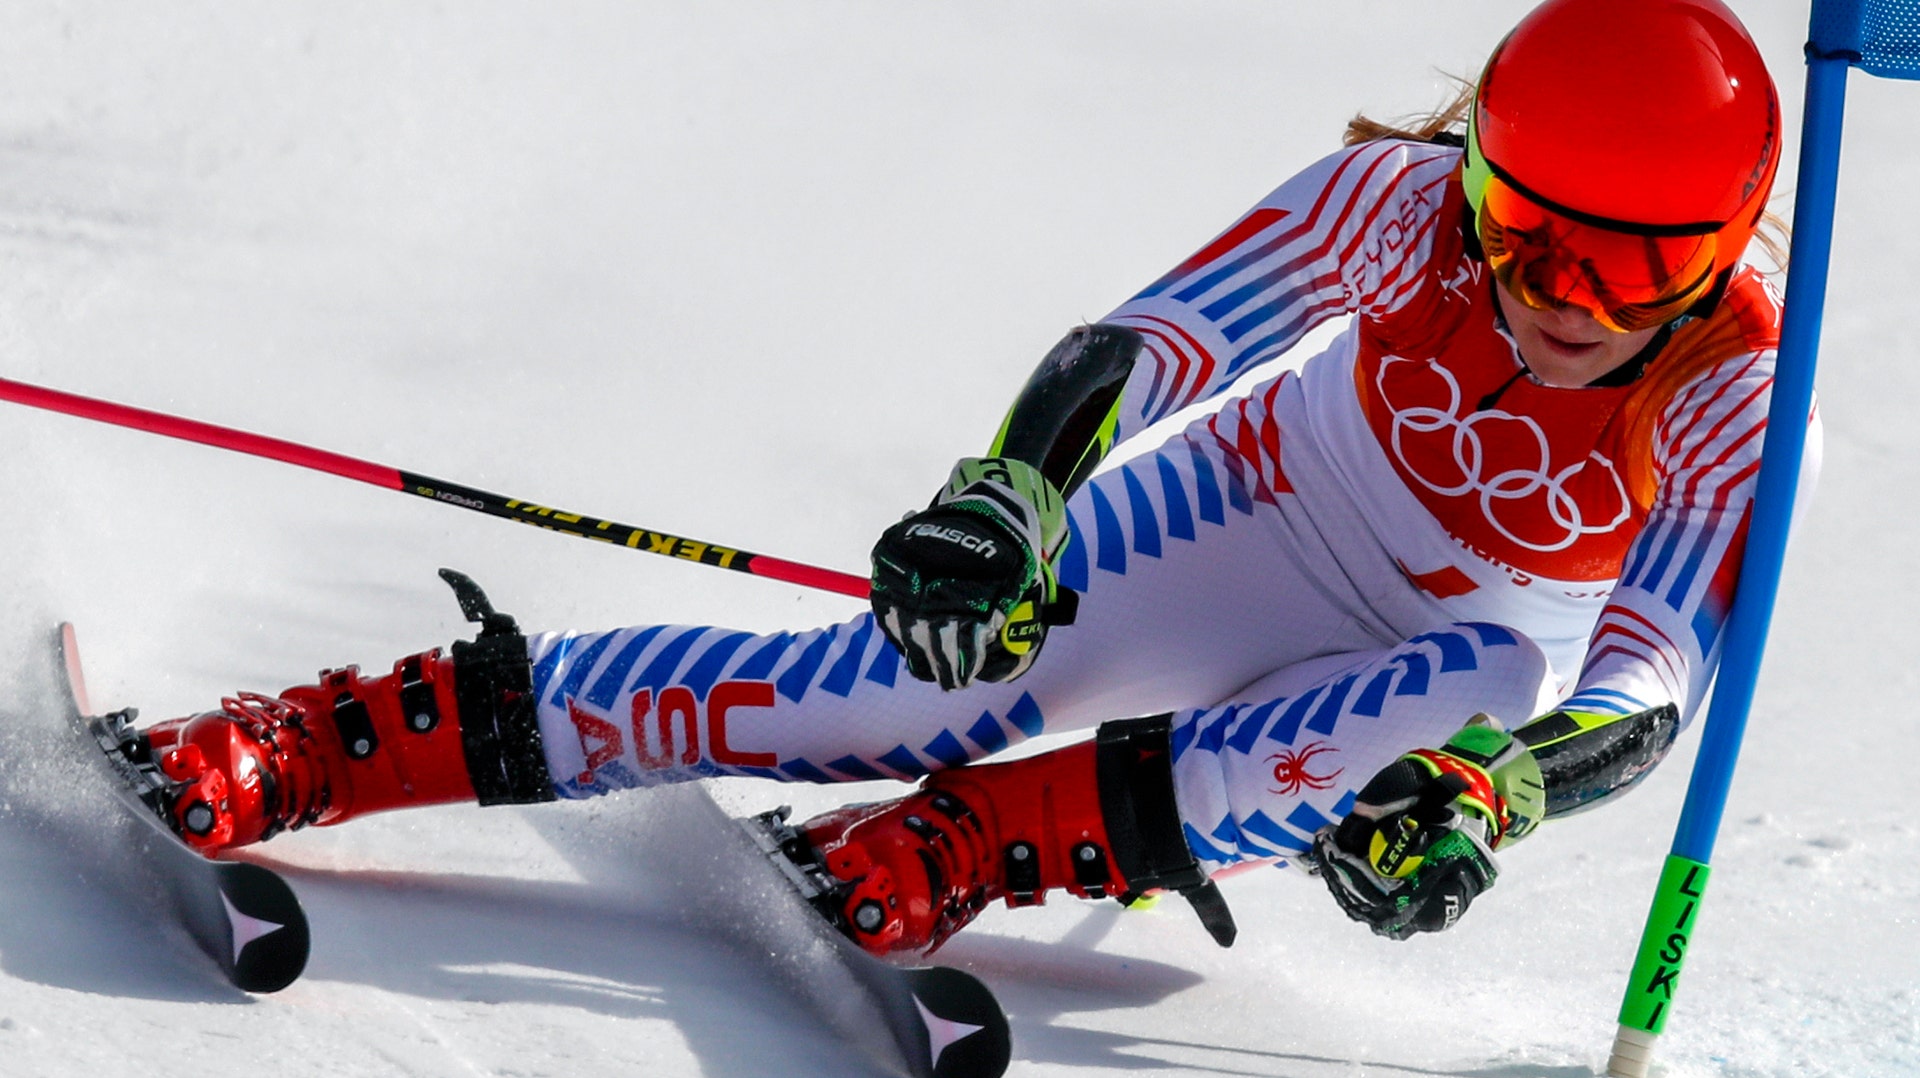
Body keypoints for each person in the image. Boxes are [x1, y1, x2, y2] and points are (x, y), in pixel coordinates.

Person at [120, 0, 1812, 953]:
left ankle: (972, 844)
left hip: (1449, 657)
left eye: (1633, 267)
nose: (1561, 299)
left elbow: (1647, 685)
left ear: (1724, 246)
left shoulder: (1740, 379)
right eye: (1527, 233)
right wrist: (1015, 498)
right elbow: (1155, 344)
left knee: (1480, 695)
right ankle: (334, 739)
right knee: (871, 699)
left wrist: (1499, 793)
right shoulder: (1403, 209)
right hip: (1264, 508)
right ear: (1481, 175)